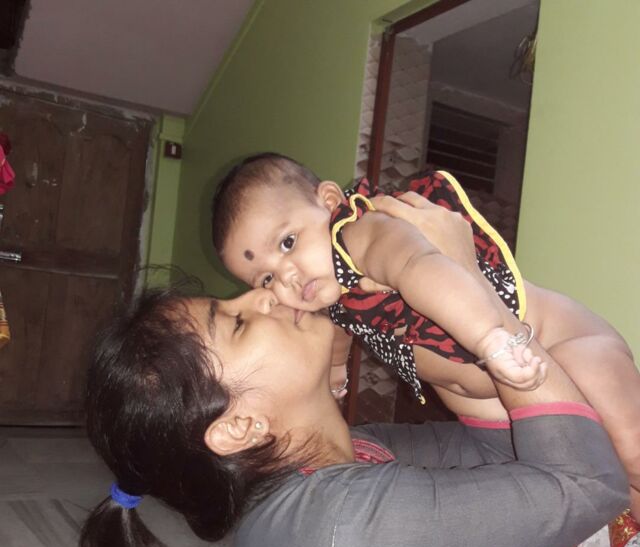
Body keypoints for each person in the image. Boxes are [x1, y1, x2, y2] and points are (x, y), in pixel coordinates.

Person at [75, 278, 627, 547]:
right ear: (240, 427)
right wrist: (475, 305)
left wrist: (419, 315)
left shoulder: (350, 453)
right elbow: (590, 484)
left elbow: (505, 452)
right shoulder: (329, 530)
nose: (262, 292)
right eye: (238, 322)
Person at [211, 152, 640, 520]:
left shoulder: (362, 234)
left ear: (329, 202)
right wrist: (337, 374)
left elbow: (421, 268)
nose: (286, 276)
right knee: (616, 485)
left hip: (565, 347)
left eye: (287, 243)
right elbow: (339, 330)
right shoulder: (329, 290)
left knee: (632, 452)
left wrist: (490, 339)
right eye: (265, 278)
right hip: (500, 408)